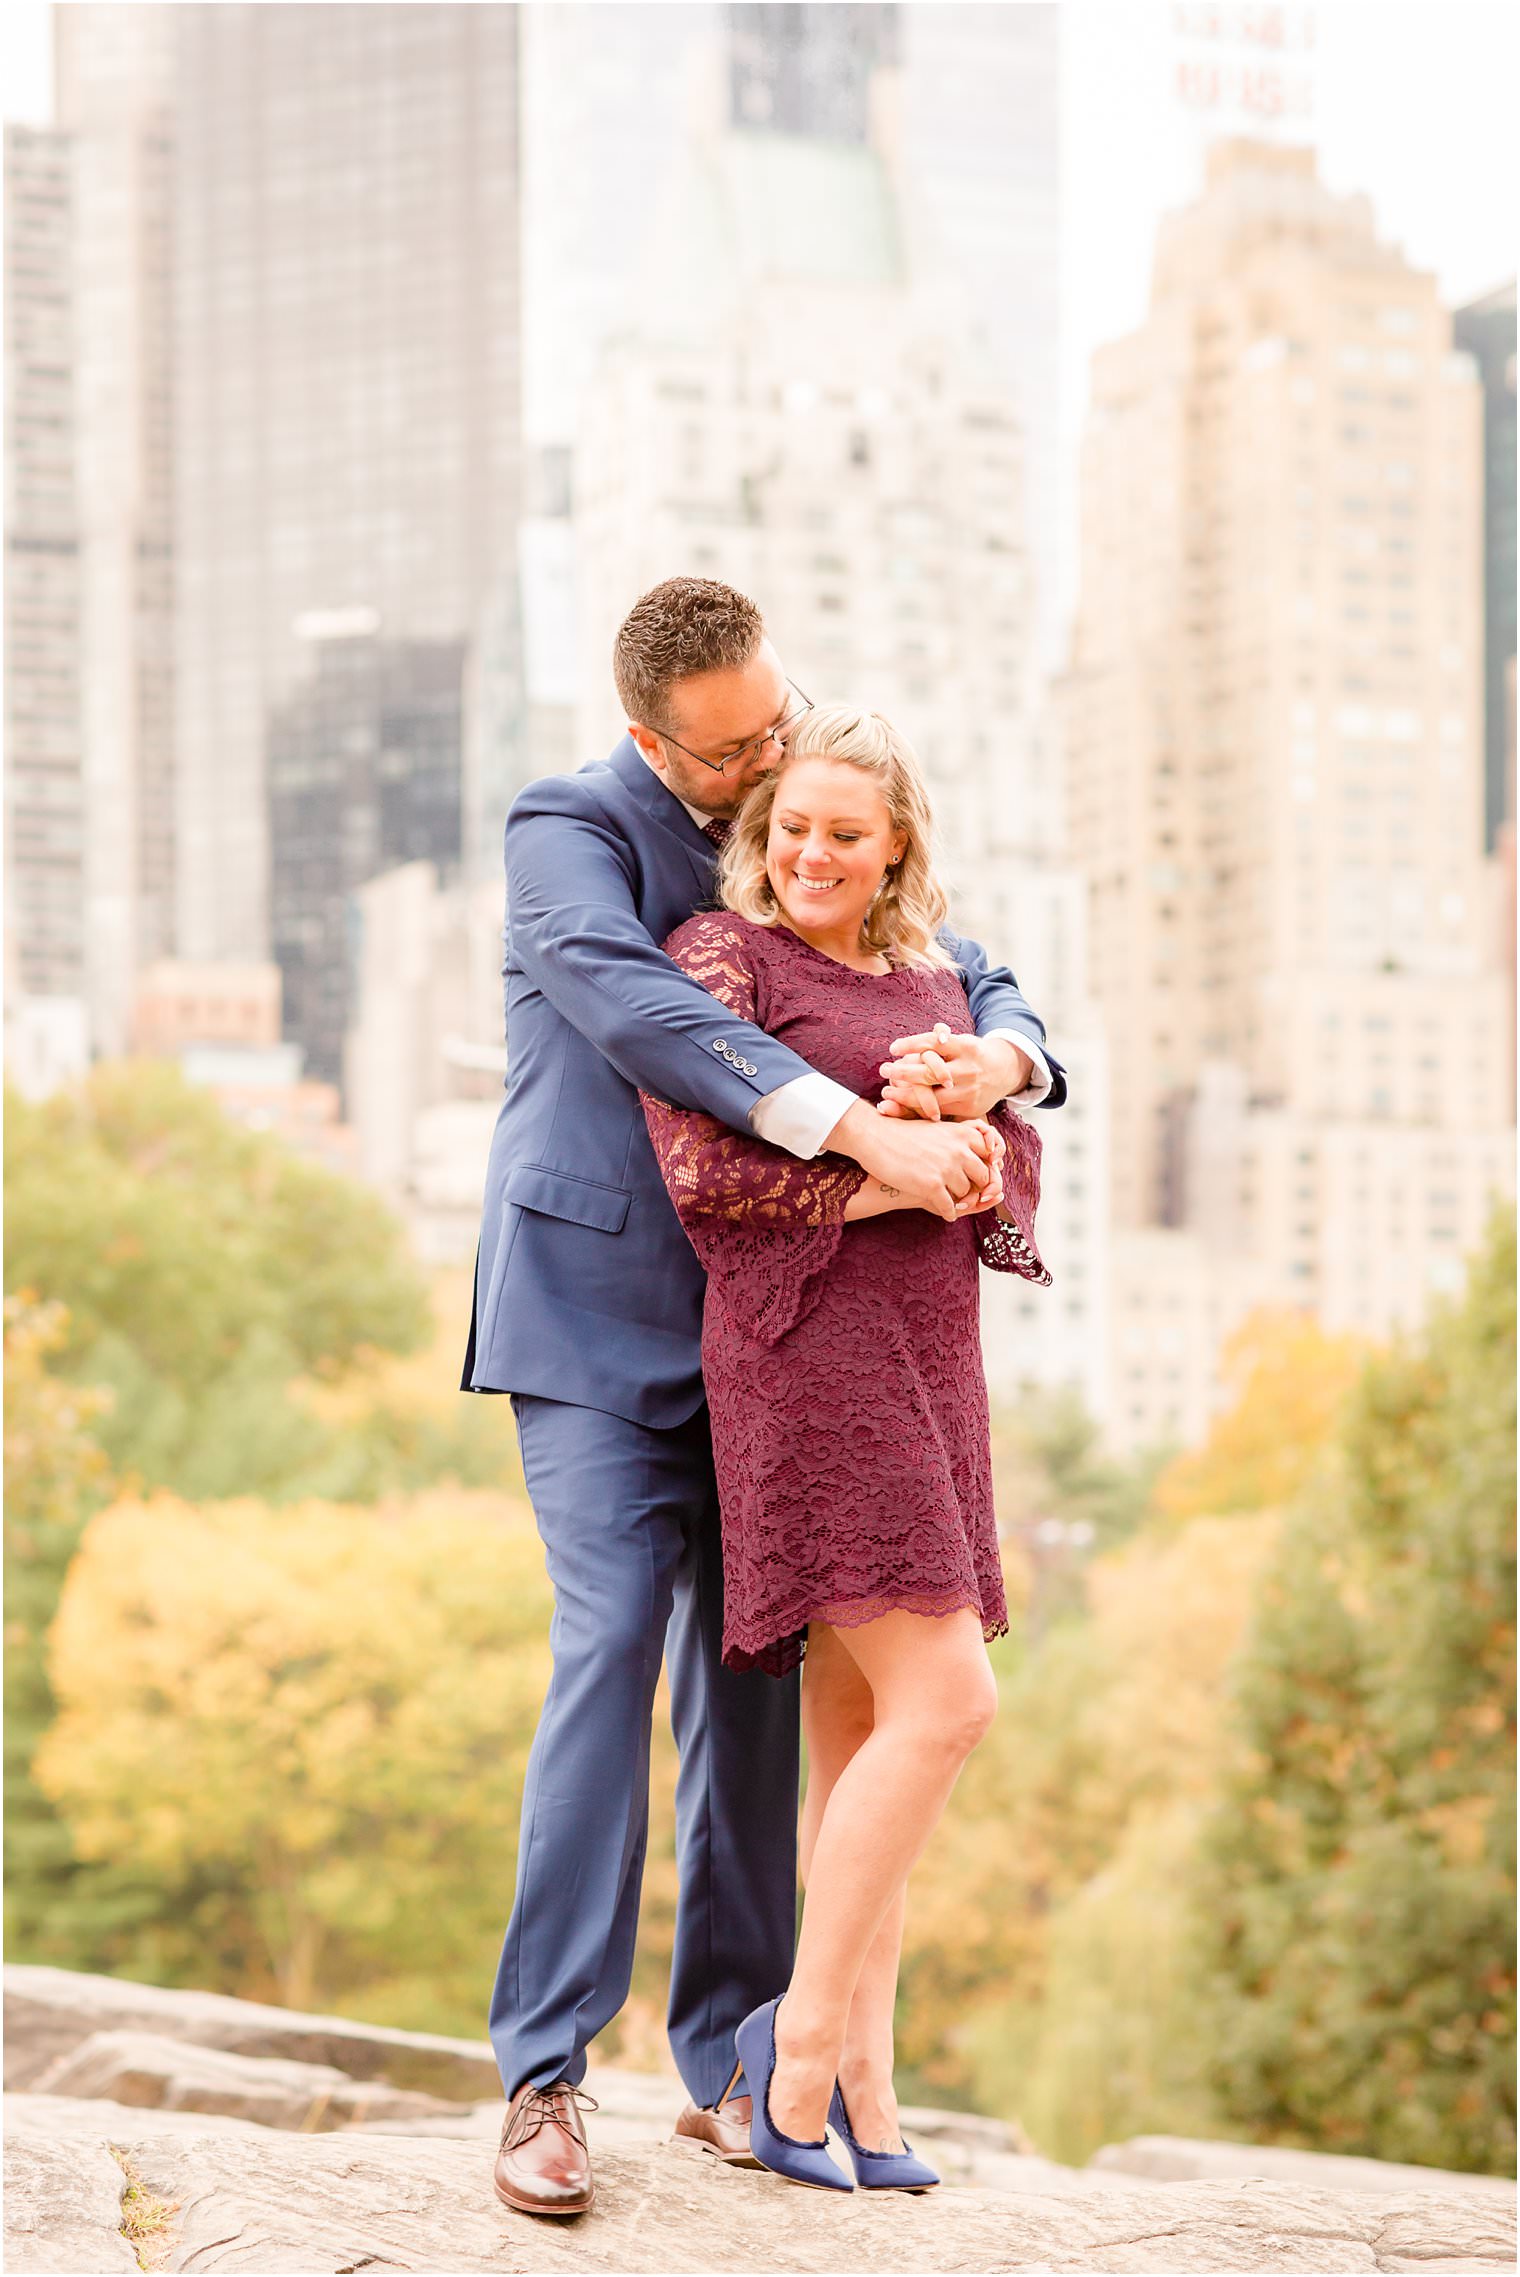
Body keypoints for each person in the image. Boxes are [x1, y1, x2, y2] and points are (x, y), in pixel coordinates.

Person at [463, 577, 1064, 2218]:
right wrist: (866, 1132)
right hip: (594, 1322)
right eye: (744, 758)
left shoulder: (804, 808)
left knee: (750, 1686)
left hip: (773, 1341)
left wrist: (1006, 1062)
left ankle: (735, 2064)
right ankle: (544, 2077)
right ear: (663, 743)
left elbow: (973, 963)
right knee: (606, 1647)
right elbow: (635, 1001)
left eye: (782, 721)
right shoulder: (569, 829)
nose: (775, 767)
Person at [641, 706, 1050, 2192]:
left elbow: (1005, 1181)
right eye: (793, 826)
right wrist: (895, 1174)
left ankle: (870, 2090)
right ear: (765, 835)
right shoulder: (720, 960)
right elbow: (703, 1174)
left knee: (862, 1740)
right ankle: (791, 2055)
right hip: (805, 1356)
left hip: (934, 1365)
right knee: (949, 1701)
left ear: (896, 851)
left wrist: (974, 1120)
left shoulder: (943, 982)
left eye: (846, 833)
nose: (812, 852)